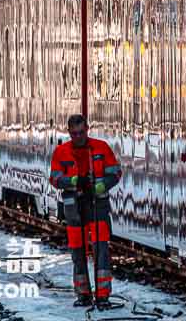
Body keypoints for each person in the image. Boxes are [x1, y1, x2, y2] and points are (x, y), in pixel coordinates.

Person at [48, 114, 121, 310]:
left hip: (98, 206)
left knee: (101, 252)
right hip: (74, 210)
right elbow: (54, 178)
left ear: (87, 129)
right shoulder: (61, 152)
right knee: (77, 253)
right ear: (69, 133)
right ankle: (83, 295)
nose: (78, 137)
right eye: (74, 134)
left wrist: (100, 186)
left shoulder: (101, 148)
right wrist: (73, 182)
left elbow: (115, 173)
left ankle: (103, 296)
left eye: (81, 133)